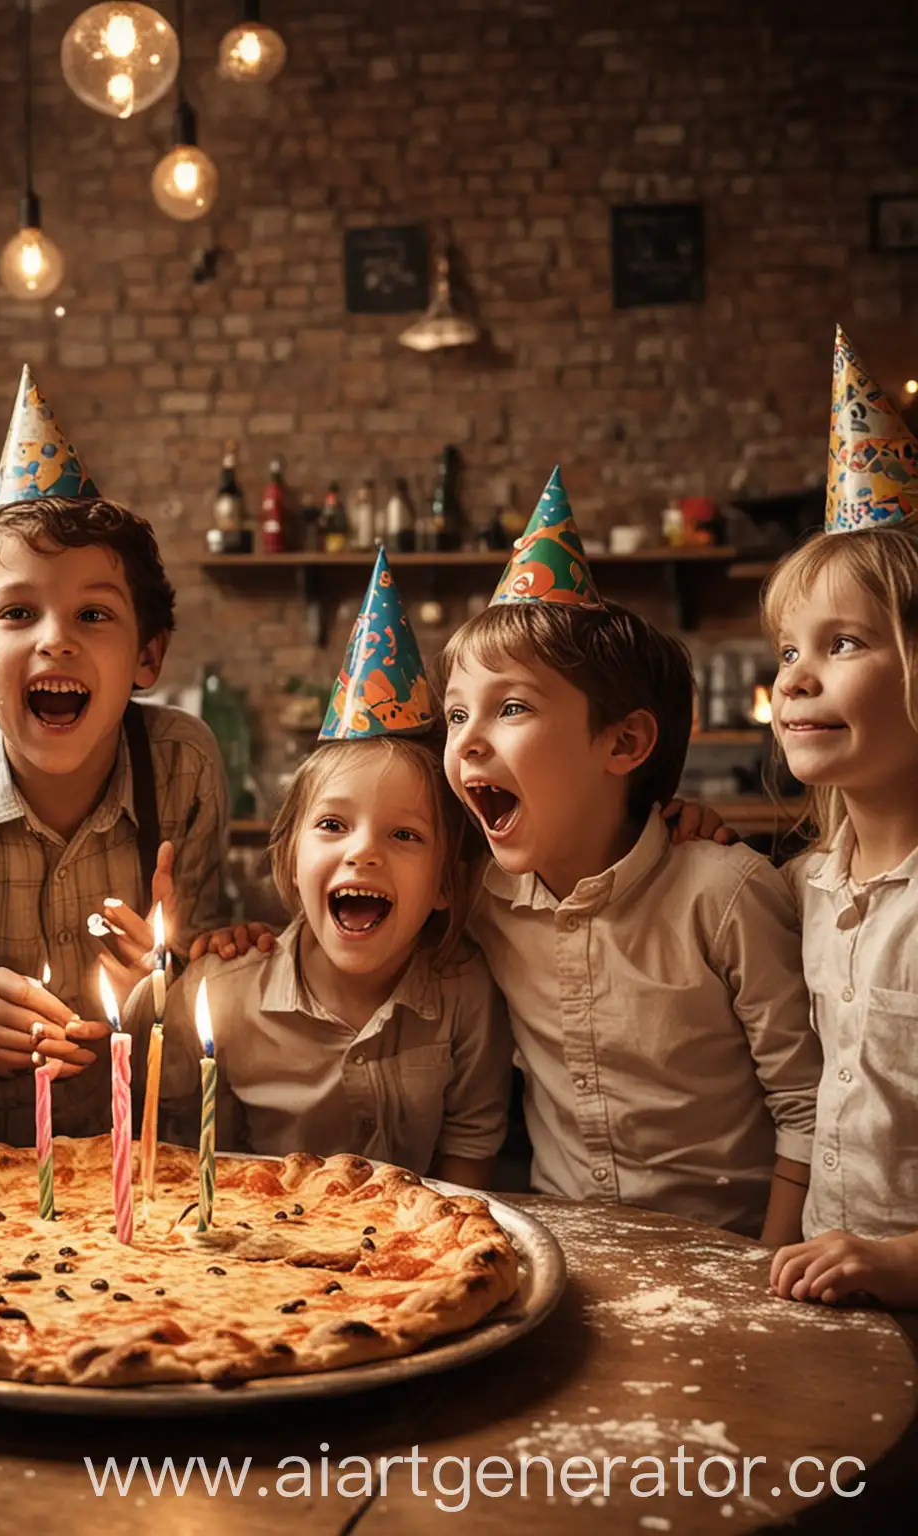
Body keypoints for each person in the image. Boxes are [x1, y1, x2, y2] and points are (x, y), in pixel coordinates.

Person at [0, 368, 229, 1158]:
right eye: (19, 613)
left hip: (141, 1160)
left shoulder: (184, 765)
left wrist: (165, 974)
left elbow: (207, 971)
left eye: (93, 614)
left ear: (147, 655)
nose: (55, 639)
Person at [438, 467, 821, 1241]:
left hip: (731, 1259)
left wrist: (761, 1280)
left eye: (510, 707)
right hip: (568, 1256)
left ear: (625, 742)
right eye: (453, 714)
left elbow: (808, 1111)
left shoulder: (724, 893)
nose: (468, 739)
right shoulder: (480, 900)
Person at [135, 551, 509, 1179]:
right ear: (289, 856)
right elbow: (190, 1163)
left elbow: (470, 1152)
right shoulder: (219, 993)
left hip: (420, 1250)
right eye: (333, 825)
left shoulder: (465, 993)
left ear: (447, 884)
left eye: (405, 834)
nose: (362, 851)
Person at [767, 329, 918, 1308]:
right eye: (787, 651)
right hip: (826, 1308)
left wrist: (901, 1262)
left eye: (845, 642)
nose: (796, 678)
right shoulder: (806, 888)